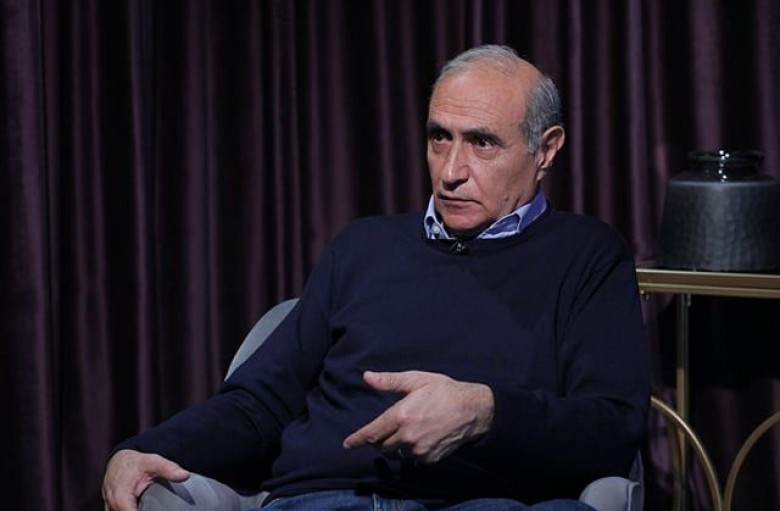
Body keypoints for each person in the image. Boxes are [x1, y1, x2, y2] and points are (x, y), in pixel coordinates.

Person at [102, 45, 649, 511]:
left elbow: (610, 428)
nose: (451, 171)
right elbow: (259, 403)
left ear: (546, 150)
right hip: (327, 498)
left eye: (482, 143)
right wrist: (142, 448)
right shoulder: (363, 247)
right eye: (439, 137)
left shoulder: (587, 256)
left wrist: (485, 412)